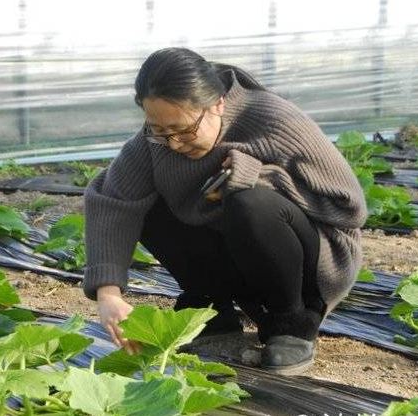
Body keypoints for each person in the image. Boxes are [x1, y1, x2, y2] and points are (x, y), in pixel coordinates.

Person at [83, 47, 367, 375]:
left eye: (185, 130)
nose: (174, 143)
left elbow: (349, 206)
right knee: (146, 206)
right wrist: (108, 293)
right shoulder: (153, 143)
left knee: (249, 202)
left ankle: (290, 324)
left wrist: (262, 176)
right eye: (161, 131)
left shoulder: (273, 119)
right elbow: (112, 200)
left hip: (308, 269)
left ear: (217, 103)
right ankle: (211, 311)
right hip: (239, 260)